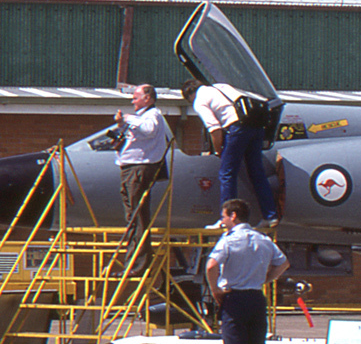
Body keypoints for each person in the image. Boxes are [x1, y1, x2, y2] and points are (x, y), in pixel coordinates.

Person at [207, 198, 290, 344]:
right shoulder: (263, 240)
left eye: (223, 217)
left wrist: (215, 290)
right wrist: (266, 279)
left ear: (233, 216)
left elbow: (211, 266)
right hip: (256, 298)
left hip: (234, 299)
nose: (222, 221)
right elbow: (283, 263)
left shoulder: (229, 241)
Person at [180, 78, 278, 228]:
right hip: (256, 127)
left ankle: (226, 219)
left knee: (227, 174)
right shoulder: (221, 87)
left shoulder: (199, 101)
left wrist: (219, 150)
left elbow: (214, 129)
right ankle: (270, 216)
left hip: (237, 129)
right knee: (257, 173)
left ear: (189, 95)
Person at [113, 84, 172, 272]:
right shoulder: (142, 118)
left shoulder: (152, 116)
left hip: (139, 168)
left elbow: (149, 130)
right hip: (131, 168)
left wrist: (127, 119)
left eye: (136, 97)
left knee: (136, 216)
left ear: (148, 98)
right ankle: (136, 261)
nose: (132, 101)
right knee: (132, 215)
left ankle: (138, 263)